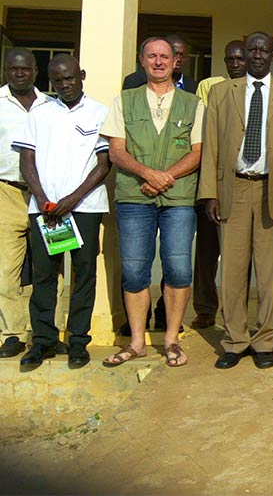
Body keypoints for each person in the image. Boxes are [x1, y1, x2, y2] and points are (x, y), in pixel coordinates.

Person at [198, 31, 273, 370]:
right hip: (232, 186)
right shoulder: (220, 93)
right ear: (243, 55)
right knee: (232, 269)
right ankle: (234, 340)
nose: (257, 55)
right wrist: (210, 193)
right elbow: (211, 145)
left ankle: (264, 340)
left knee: (271, 269)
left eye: (264, 50)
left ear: (272, 56)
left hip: (272, 190)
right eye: (251, 49)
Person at [100, 37, 205, 368]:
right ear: (141, 60)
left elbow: (198, 151)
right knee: (134, 270)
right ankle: (137, 341)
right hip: (135, 196)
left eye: (165, 56)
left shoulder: (193, 103)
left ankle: (171, 339)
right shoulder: (125, 101)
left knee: (178, 267)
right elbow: (116, 150)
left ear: (175, 61)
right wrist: (147, 173)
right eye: (152, 56)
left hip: (178, 199)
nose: (158, 61)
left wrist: (165, 178)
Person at [15, 55, 110, 370]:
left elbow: (104, 164)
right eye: (57, 81)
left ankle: (78, 342)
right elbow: (26, 160)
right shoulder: (40, 114)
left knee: (84, 275)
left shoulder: (99, 112)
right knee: (44, 276)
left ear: (81, 75)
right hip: (45, 209)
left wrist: (72, 199)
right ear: (50, 81)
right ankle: (42, 342)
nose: (64, 85)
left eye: (69, 78)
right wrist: (43, 199)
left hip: (85, 208)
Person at [189, 40, 247, 330]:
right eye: (230, 59)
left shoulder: (260, 93)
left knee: (243, 254)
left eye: (240, 58)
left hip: (247, 184)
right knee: (207, 252)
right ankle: (206, 307)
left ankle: (241, 312)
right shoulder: (213, 90)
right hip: (214, 182)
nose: (235, 63)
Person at [0, 48, 52, 359]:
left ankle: (48, 330)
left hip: (45, 196)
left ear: (35, 70)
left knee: (49, 266)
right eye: (12, 69)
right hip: (7, 192)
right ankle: (13, 333)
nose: (19, 74)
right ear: (5, 71)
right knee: (6, 267)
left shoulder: (51, 105)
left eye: (25, 69)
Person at [122, 33, 198, 94]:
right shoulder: (134, 81)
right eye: (174, 54)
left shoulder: (192, 86)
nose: (178, 59)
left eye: (182, 55)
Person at [195, 40, 246, 106]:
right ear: (225, 61)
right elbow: (201, 115)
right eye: (230, 59)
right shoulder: (208, 85)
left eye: (240, 59)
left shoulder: (257, 88)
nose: (235, 65)